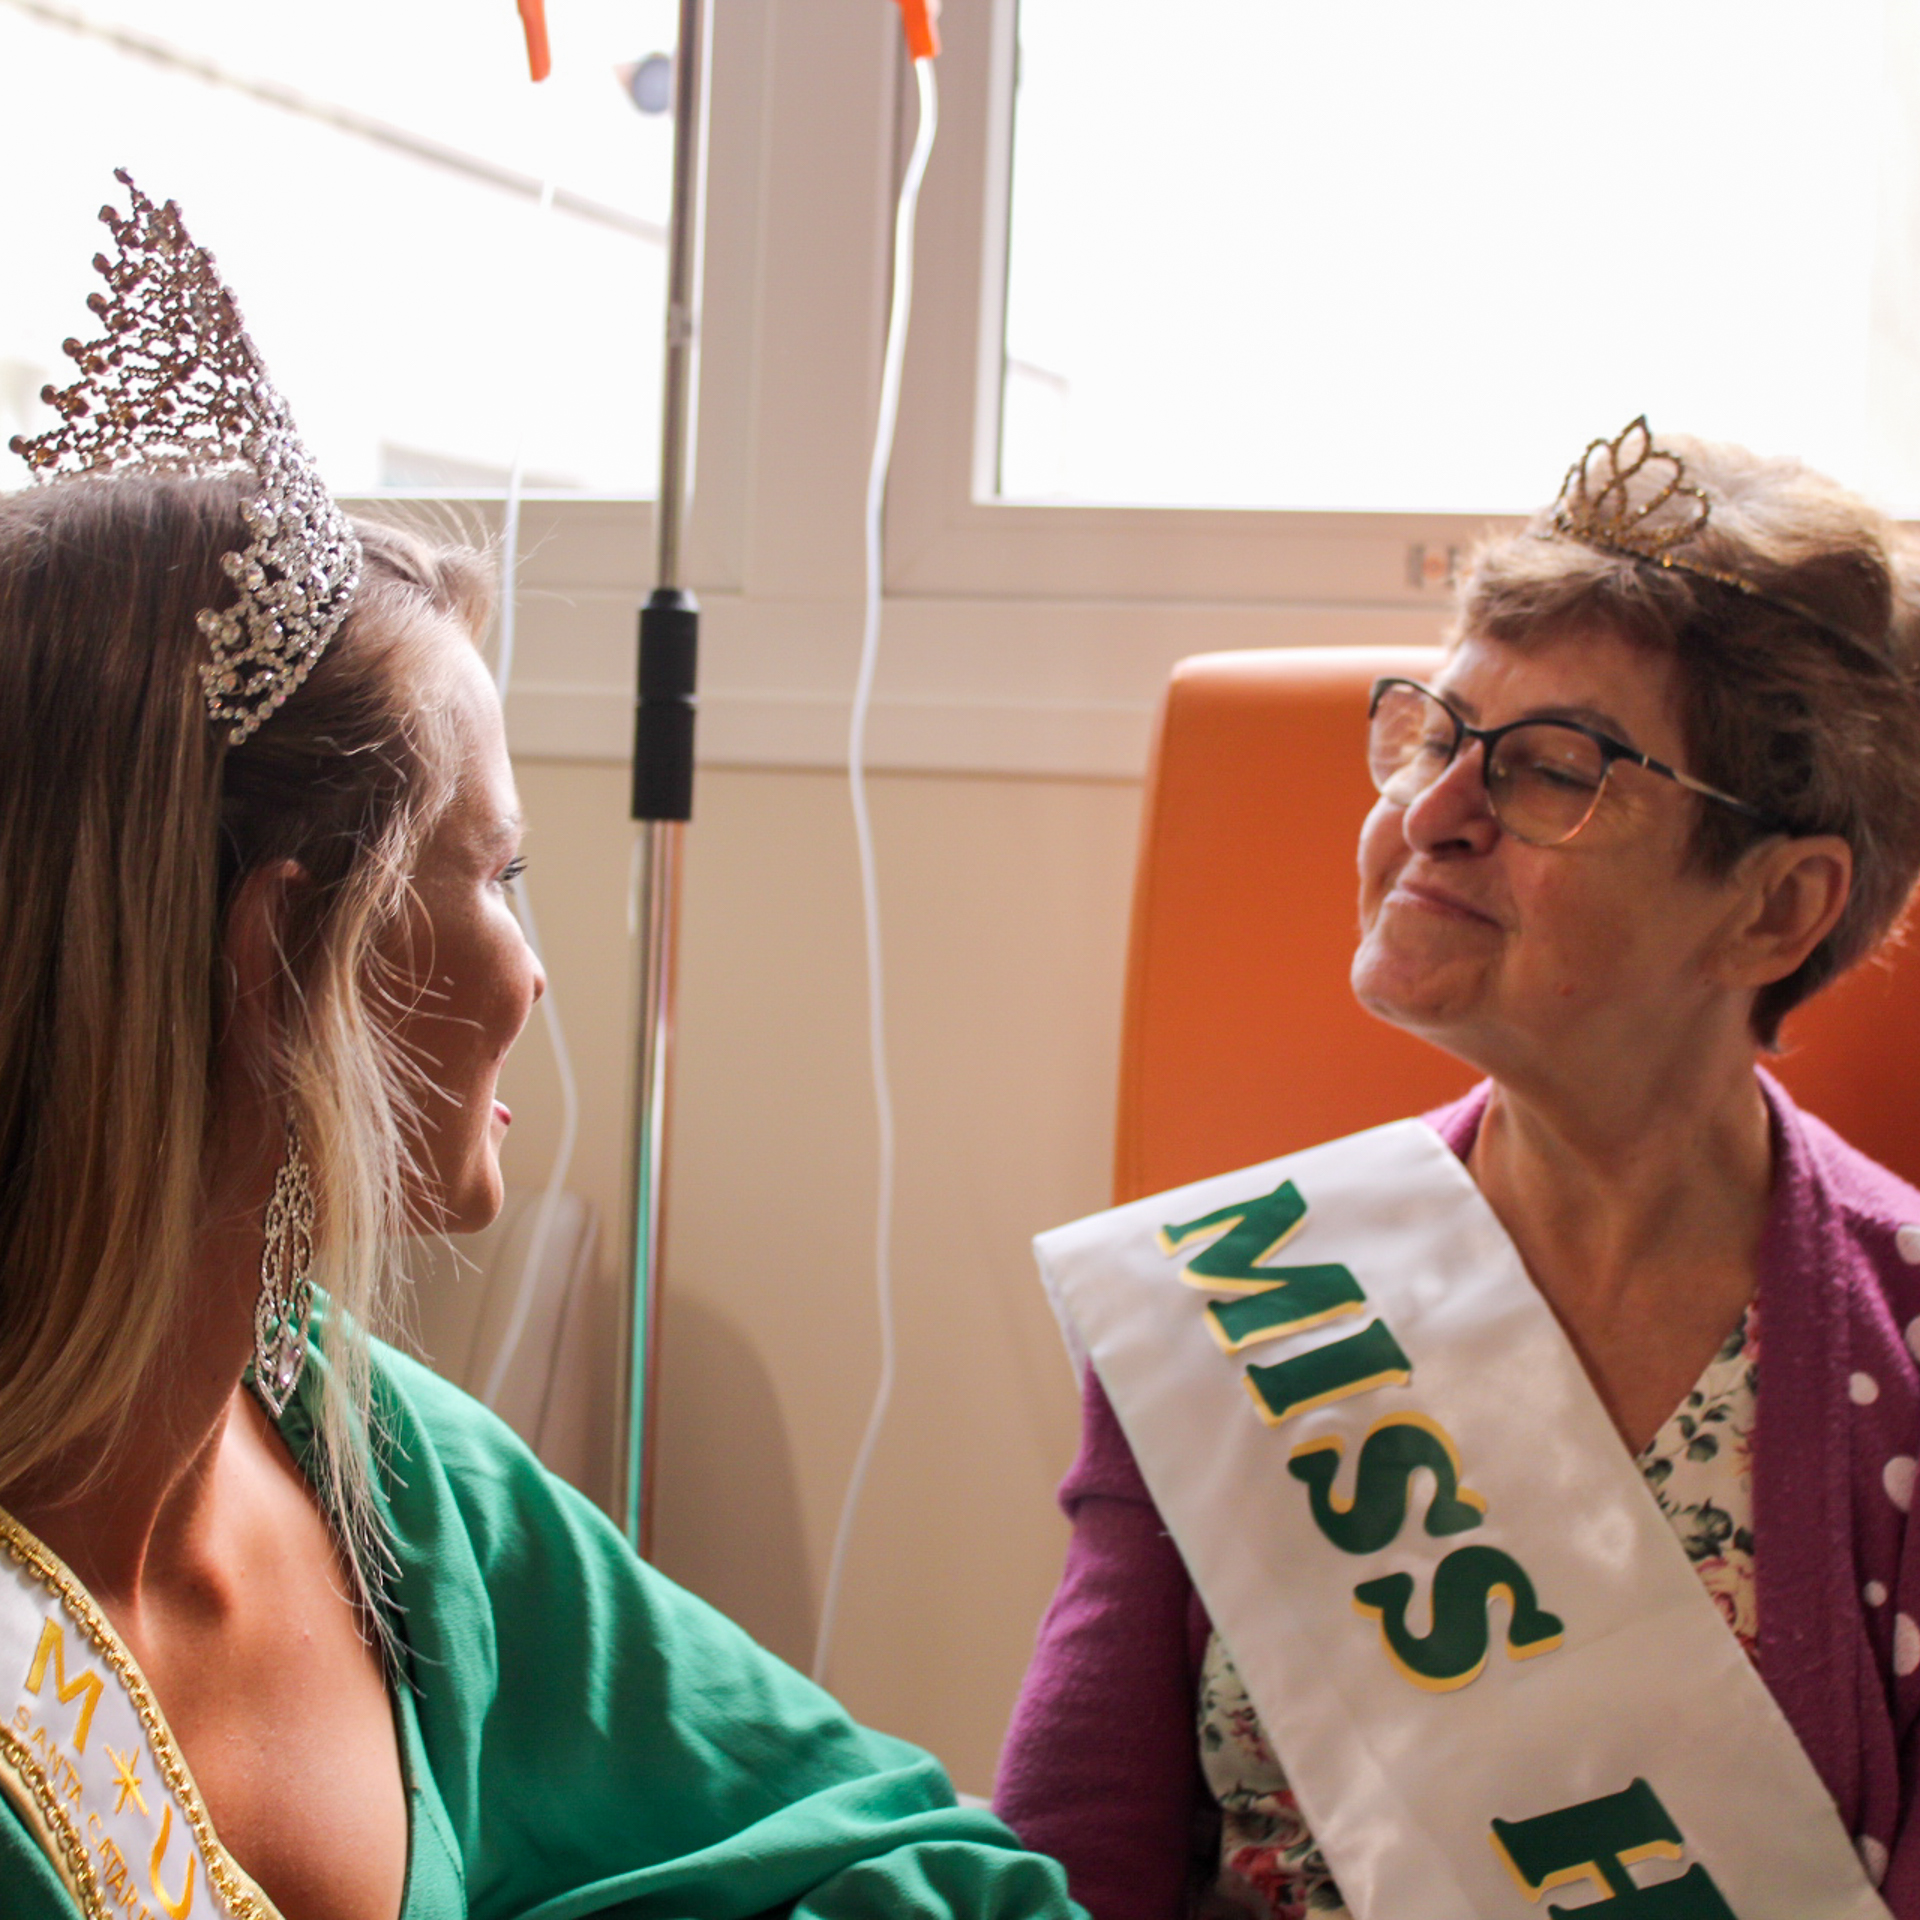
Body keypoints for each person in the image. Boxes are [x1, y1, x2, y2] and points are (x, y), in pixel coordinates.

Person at [0, 178, 1082, 1920]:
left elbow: (895, 1844)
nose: (537, 973)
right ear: (280, 962)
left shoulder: (350, 1442)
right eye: (496, 877)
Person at [996, 418, 1920, 1918]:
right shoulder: (1239, 1298)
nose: (1430, 816)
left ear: (1776, 908)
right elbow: (1074, 1865)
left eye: (1552, 772)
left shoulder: (1904, 1363)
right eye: (1437, 737)